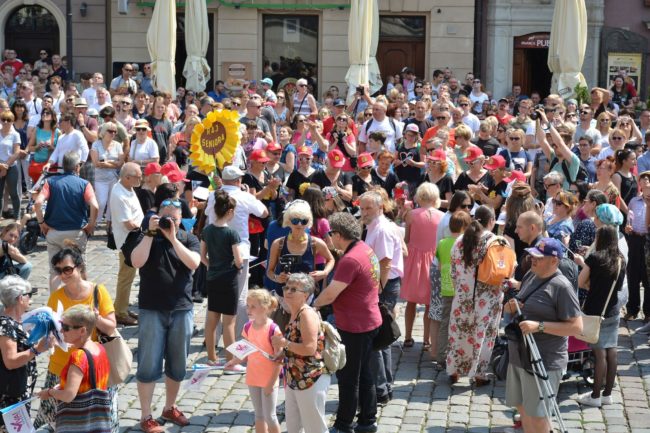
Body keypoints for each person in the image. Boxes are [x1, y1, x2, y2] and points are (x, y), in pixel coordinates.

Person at [128, 198, 201, 433]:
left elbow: (194, 263)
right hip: (151, 309)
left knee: (178, 363)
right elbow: (136, 261)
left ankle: (170, 407)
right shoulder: (145, 237)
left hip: (181, 309)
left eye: (174, 218)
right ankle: (146, 415)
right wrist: (150, 233)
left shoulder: (189, 238)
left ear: (181, 221)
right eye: (165, 217)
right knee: (148, 364)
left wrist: (172, 238)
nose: (169, 221)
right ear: (156, 216)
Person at [34, 246, 118, 431]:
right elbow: (50, 328)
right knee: (54, 420)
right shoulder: (56, 297)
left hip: (91, 367)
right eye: (59, 270)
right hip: (61, 365)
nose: (63, 275)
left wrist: (96, 317)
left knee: (92, 420)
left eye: (67, 269)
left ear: (79, 267)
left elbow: (111, 327)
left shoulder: (98, 292)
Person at [504, 238, 582, 433]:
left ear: (554, 261)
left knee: (539, 417)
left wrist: (539, 326)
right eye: (533, 255)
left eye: (539, 257)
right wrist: (512, 306)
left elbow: (576, 327)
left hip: (543, 360)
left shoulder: (562, 287)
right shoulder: (531, 275)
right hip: (520, 353)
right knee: (523, 409)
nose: (533, 260)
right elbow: (521, 301)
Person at [313, 212, 381, 433]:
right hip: (369, 319)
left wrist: (312, 305)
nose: (329, 237)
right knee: (366, 373)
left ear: (339, 234)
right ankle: (368, 420)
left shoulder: (350, 260)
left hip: (355, 325)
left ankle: (343, 425)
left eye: (331, 233)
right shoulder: (365, 249)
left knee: (348, 377)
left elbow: (331, 294)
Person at [206, 165, 268, 336]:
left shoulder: (213, 195)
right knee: (239, 295)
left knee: (216, 293)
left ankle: (212, 334)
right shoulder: (244, 196)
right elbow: (264, 212)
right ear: (238, 180)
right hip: (239, 249)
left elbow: (207, 213)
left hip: (216, 248)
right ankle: (240, 333)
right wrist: (251, 196)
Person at [446, 205, 503, 385]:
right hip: (487, 298)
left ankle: (454, 370)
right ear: (492, 221)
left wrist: (461, 290)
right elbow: (505, 271)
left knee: (459, 334)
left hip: (462, 296)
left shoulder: (459, 241)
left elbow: (453, 272)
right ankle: (478, 374)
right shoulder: (496, 242)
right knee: (483, 335)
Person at [358, 190, 402, 404]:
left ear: (380, 208)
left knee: (375, 338)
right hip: (382, 284)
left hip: (383, 285)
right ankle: (385, 386)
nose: (364, 212)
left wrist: (377, 289)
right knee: (381, 337)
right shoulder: (373, 226)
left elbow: (385, 263)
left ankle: (380, 389)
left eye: (368, 208)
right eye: (362, 208)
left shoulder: (382, 229)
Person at [573, 225, 625, 407]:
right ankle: (607, 394)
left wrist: (590, 284)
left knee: (599, 352)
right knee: (612, 351)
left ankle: (595, 396)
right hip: (612, 309)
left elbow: (580, 282)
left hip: (595, 310)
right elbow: (617, 287)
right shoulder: (621, 260)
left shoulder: (595, 258)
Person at [37, 305, 111, 431]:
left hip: (78, 421)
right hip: (96, 418)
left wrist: (49, 392)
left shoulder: (79, 356)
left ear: (82, 331)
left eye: (65, 328)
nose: (61, 331)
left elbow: (68, 396)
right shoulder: (99, 348)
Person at [271, 273, 329, 433]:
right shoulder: (294, 312)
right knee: (293, 426)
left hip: (310, 378)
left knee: (314, 427)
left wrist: (285, 344)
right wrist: (282, 354)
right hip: (295, 377)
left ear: (305, 295)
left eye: (293, 289)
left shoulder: (307, 314)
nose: (288, 291)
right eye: (287, 287)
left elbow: (309, 348)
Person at [34, 152, 99, 291]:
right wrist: (91, 224)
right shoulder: (84, 184)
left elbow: (38, 203)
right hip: (76, 233)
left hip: (54, 232)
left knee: (55, 271)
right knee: (79, 268)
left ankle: (55, 306)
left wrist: (41, 223)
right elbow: (95, 206)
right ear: (77, 167)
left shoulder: (50, 183)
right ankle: (83, 302)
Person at [224, 289, 282, 433]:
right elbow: (245, 350)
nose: (248, 309)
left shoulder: (273, 329)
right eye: (248, 306)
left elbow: (279, 360)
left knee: (270, 416)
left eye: (253, 306)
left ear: (264, 307)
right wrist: (234, 361)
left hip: (269, 378)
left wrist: (271, 383)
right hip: (253, 375)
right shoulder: (248, 327)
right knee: (259, 415)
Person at [200, 190, 244, 371]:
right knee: (229, 323)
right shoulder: (231, 233)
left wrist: (212, 266)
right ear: (229, 212)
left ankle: (211, 358)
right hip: (228, 280)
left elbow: (202, 256)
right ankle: (231, 362)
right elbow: (239, 260)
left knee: (211, 321)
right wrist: (237, 267)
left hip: (213, 278)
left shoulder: (207, 230)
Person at [0, 276, 47, 433]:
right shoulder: (6, 325)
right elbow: (10, 361)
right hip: (10, 396)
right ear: (20, 298)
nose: (30, 300)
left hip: (18, 390)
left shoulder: (15, 321)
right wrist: (37, 349)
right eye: (29, 295)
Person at [401, 183, 443, 350]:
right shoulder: (441, 215)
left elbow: (407, 238)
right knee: (429, 302)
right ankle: (427, 339)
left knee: (411, 301)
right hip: (433, 259)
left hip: (414, 259)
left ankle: (408, 336)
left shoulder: (411, 214)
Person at [430, 211, 471, 367]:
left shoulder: (442, 243)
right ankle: (459, 355)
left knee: (445, 322)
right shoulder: (465, 243)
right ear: (465, 227)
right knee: (462, 322)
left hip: (446, 287)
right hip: (462, 288)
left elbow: (440, 267)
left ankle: (441, 355)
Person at [110, 163, 144, 326]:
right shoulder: (119, 194)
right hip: (128, 240)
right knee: (126, 277)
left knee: (128, 276)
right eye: (138, 176)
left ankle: (120, 306)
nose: (141, 179)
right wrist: (146, 228)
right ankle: (120, 313)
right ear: (127, 177)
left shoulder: (127, 187)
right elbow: (128, 223)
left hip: (133, 238)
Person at [91, 122, 125, 224]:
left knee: (112, 203)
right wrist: (113, 163)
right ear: (104, 131)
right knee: (101, 202)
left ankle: (109, 224)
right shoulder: (96, 144)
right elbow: (96, 163)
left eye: (115, 131)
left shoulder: (118, 145)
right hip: (100, 179)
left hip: (114, 178)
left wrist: (105, 163)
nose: (113, 133)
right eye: (110, 131)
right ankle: (95, 222)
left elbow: (121, 163)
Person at [0, 110, 23, 220]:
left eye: (8, 120)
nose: (5, 122)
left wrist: (6, 166)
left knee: (14, 193)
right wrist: (1, 166)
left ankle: (17, 217)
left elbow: (17, 152)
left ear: (12, 121)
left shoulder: (15, 135)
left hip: (11, 166)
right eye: (3, 119)